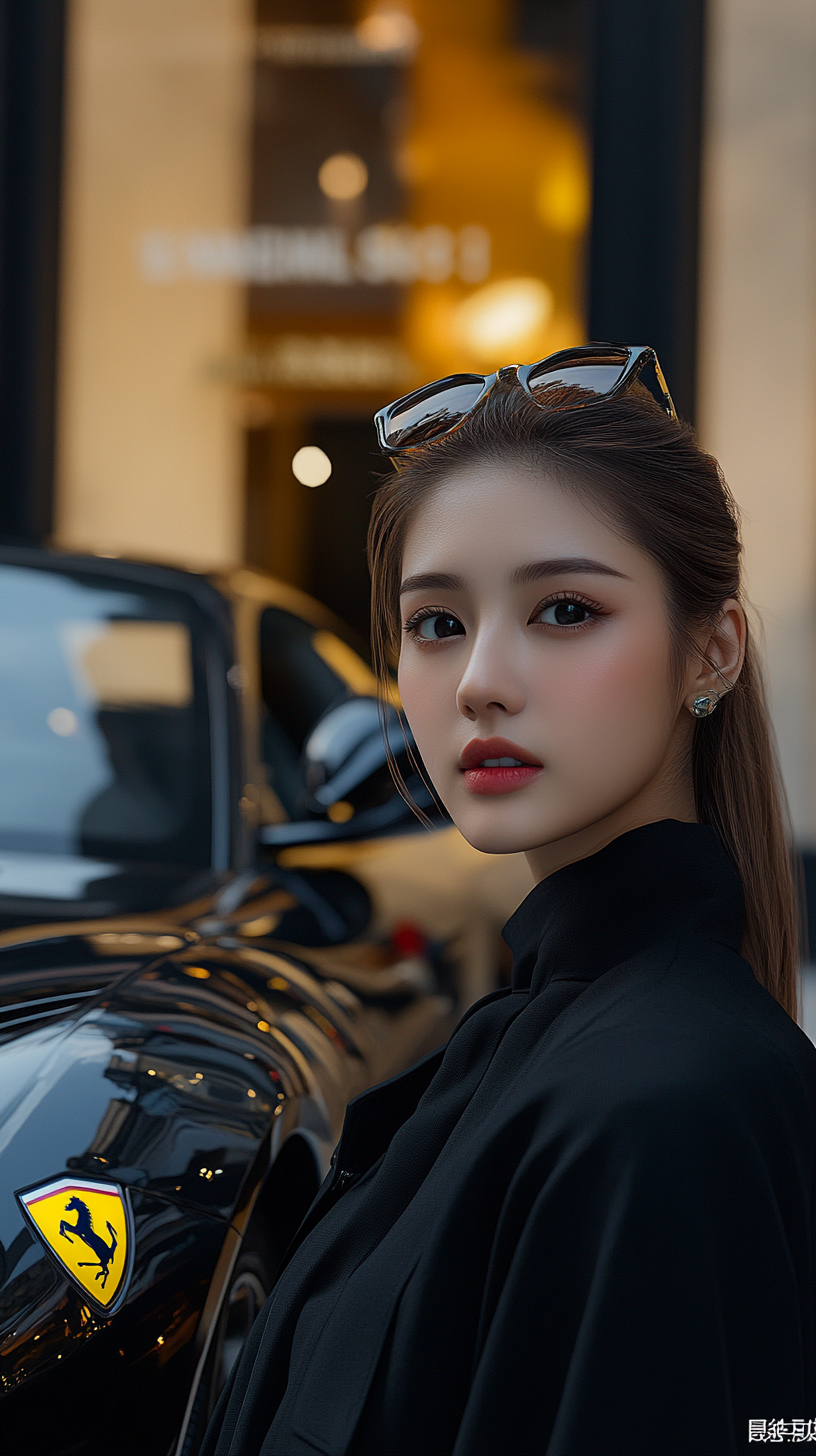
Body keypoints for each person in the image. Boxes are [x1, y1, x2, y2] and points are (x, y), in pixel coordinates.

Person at [202, 345, 816, 1456]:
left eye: (566, 609)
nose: (479, 676)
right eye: (437, 623)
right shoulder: (537, 1043)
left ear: (710, 651)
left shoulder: (661, 1106)